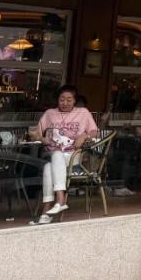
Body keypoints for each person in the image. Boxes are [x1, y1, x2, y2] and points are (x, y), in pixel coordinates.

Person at [32, 85, 98, 225]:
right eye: (62, 99)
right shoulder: (50, 113)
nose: (65, 103)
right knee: (49, 166)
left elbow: (94, 132)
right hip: (54, 157)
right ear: (57, 100)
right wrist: (43, 139)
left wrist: (84, 136)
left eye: (69, 100)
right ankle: (51, 207)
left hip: (74, 157)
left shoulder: (83, 113)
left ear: (75, 101)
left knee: (55, 155)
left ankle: (56, 202)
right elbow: (35, 133)